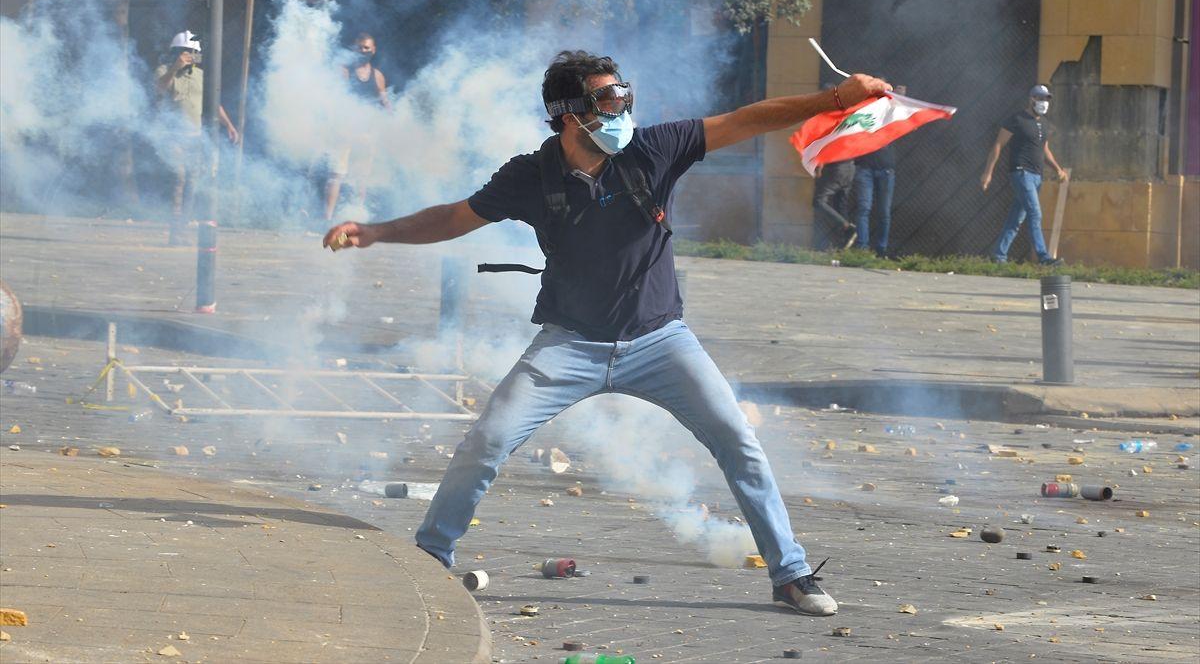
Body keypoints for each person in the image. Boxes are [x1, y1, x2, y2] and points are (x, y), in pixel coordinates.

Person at [323, 50, 889, 616]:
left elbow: (748, 118)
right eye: (608, 100)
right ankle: (430, 557)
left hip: (662, 341)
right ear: (570, 116)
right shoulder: (529, 175)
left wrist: (836, 99)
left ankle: (789, 573)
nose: (623, 110)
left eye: (624, 95)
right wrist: (375, 232)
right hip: (569, 345)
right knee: (487, 441)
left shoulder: (654, 150)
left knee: (737, 440)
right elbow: (453, 218)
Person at [153, 30, 239, 245]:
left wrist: (228, 124)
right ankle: (174, 231)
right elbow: (159, 89)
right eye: (188, 52)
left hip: (194, 137)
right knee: (179, 179)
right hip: (172, 136)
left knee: (192, 182)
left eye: (194, 52)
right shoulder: (164, 70)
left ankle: (181, 229)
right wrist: (175, 68)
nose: (191, 56)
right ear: (177, 52)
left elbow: (213, 103)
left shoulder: (201, 76)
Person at [980, 83, 1068, 265]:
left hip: (1037, 176)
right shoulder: (1017, 119)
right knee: (1035, 213)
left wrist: (1058, 169)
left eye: (1046, 99)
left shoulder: (1044, 124)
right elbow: (998, 145)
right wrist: (987, 173)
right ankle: (1043, 257)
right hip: (1021, 173)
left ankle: (999, 256)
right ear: (1031, 99)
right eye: (1040, 98)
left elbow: (1045, 150)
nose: (1043, 102)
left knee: (1016, 218)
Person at [324, 33, 389, 221]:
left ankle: (356, 218)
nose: (363, 51)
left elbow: (384, 103)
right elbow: (333, 98)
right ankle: (327, 220)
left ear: (373, 50)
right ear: (354, 49)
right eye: (360, 47)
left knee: (362, 178)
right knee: (336, 174)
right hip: (344, 130)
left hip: (366, 134)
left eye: (366, 48)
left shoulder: (377, 76)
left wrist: (392, 122)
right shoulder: (344, 71)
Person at [851, 84, 903, 257]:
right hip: (865, 168)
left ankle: (881, 249)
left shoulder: (892, 114)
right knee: (864, 208)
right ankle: (862, 249)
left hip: (886, 169)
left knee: (884, 212)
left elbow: (906, 116)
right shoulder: (864, 112)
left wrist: (901, 98)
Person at [812, 159, 856, 251]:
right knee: (840, 205)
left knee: (819, 201)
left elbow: (824, 152)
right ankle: (843, 243)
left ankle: (847, 227)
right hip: (850, 168)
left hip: (836, 169)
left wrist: (819, 169)